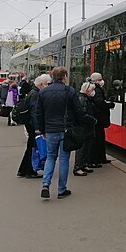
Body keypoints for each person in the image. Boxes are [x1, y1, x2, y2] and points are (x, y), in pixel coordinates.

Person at [35, 66, 86, 200]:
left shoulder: (43, 92)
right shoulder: (69, 91)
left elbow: (38, 113)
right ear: (64, 77)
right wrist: (79, 125)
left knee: (50, 157)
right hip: (66, 130)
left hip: (50, 130)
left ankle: (45, 184)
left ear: (52, 77)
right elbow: (78, 111)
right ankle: (61, 189)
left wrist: (42, 129)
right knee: (64, 159)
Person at [17, 74, 51, 178]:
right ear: (41, 84)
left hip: (30, 124)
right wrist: (37, 128)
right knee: (33, 148)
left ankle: (23, 169)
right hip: (33, 126)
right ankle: (30, 170)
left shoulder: (32, 93)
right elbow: (35, 112)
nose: (48, 86)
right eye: (47, 84)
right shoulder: (36, 95)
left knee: (30, 148)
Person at [89, 72, 114, 167]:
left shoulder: (95, 88)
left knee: (100, 138)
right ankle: (97, 159)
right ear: (95, 81)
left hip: (97, 119)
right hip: (98, 119)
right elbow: (100, 103)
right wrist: (109, 105)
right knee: (98, 139)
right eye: (100, 79)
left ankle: (100, 158)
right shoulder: (97, 90)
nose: (101, 81)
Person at [73, 82, 97, 177]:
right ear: (87, 90)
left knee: (87, 146)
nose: (93, 92)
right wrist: (93, 120)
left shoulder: (86, 99)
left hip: (87, 127)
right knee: (82, 147)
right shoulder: (83, 99)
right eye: (91, 90)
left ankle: (83, 164)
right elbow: (82, 115)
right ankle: (78, 167)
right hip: (84, 127)